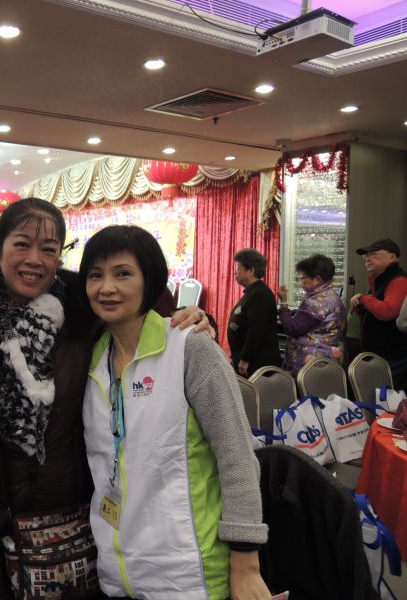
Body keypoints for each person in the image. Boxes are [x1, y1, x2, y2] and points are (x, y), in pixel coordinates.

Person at [0, 197, 210, 599]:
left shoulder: (87, 310)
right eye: (22, 245)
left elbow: (147, 319)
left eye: (48, 249)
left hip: (73, 521)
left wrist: (193, 318)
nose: (34, 260)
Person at [80, 225, 269, 599]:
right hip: (117, 572)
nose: (106, 288)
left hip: (190, 575)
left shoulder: (188, 347)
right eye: (95, 275)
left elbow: (237, 456)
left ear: (150, 280)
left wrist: (246, 564)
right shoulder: (91, 359)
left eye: (123, 273)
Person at [351, 238, 407, 390]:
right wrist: (362, 308)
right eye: (366, 255)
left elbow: (388, 311)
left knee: (390, 401)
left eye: (374, 254)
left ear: (392, 256)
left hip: (393, 357)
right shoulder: (381, 280)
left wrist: (364, 298)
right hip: (382, 357)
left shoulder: (399, 281)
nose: (368, 258)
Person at [278, 254, 346, 377]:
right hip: (329, 362)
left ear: (318, 279)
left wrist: (284, 303)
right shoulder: (333, 296)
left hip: (310, 366)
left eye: (303, 277)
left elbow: (291, 328)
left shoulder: (314, 302)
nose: (301, 281)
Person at [227, 248, 281, 377]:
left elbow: (256, 330)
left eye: (239, 267)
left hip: (257, 364)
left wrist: (245, 359)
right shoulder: (253, 291)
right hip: (248, 360)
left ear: (251, 271)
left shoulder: (260, 294)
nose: (235, 271)